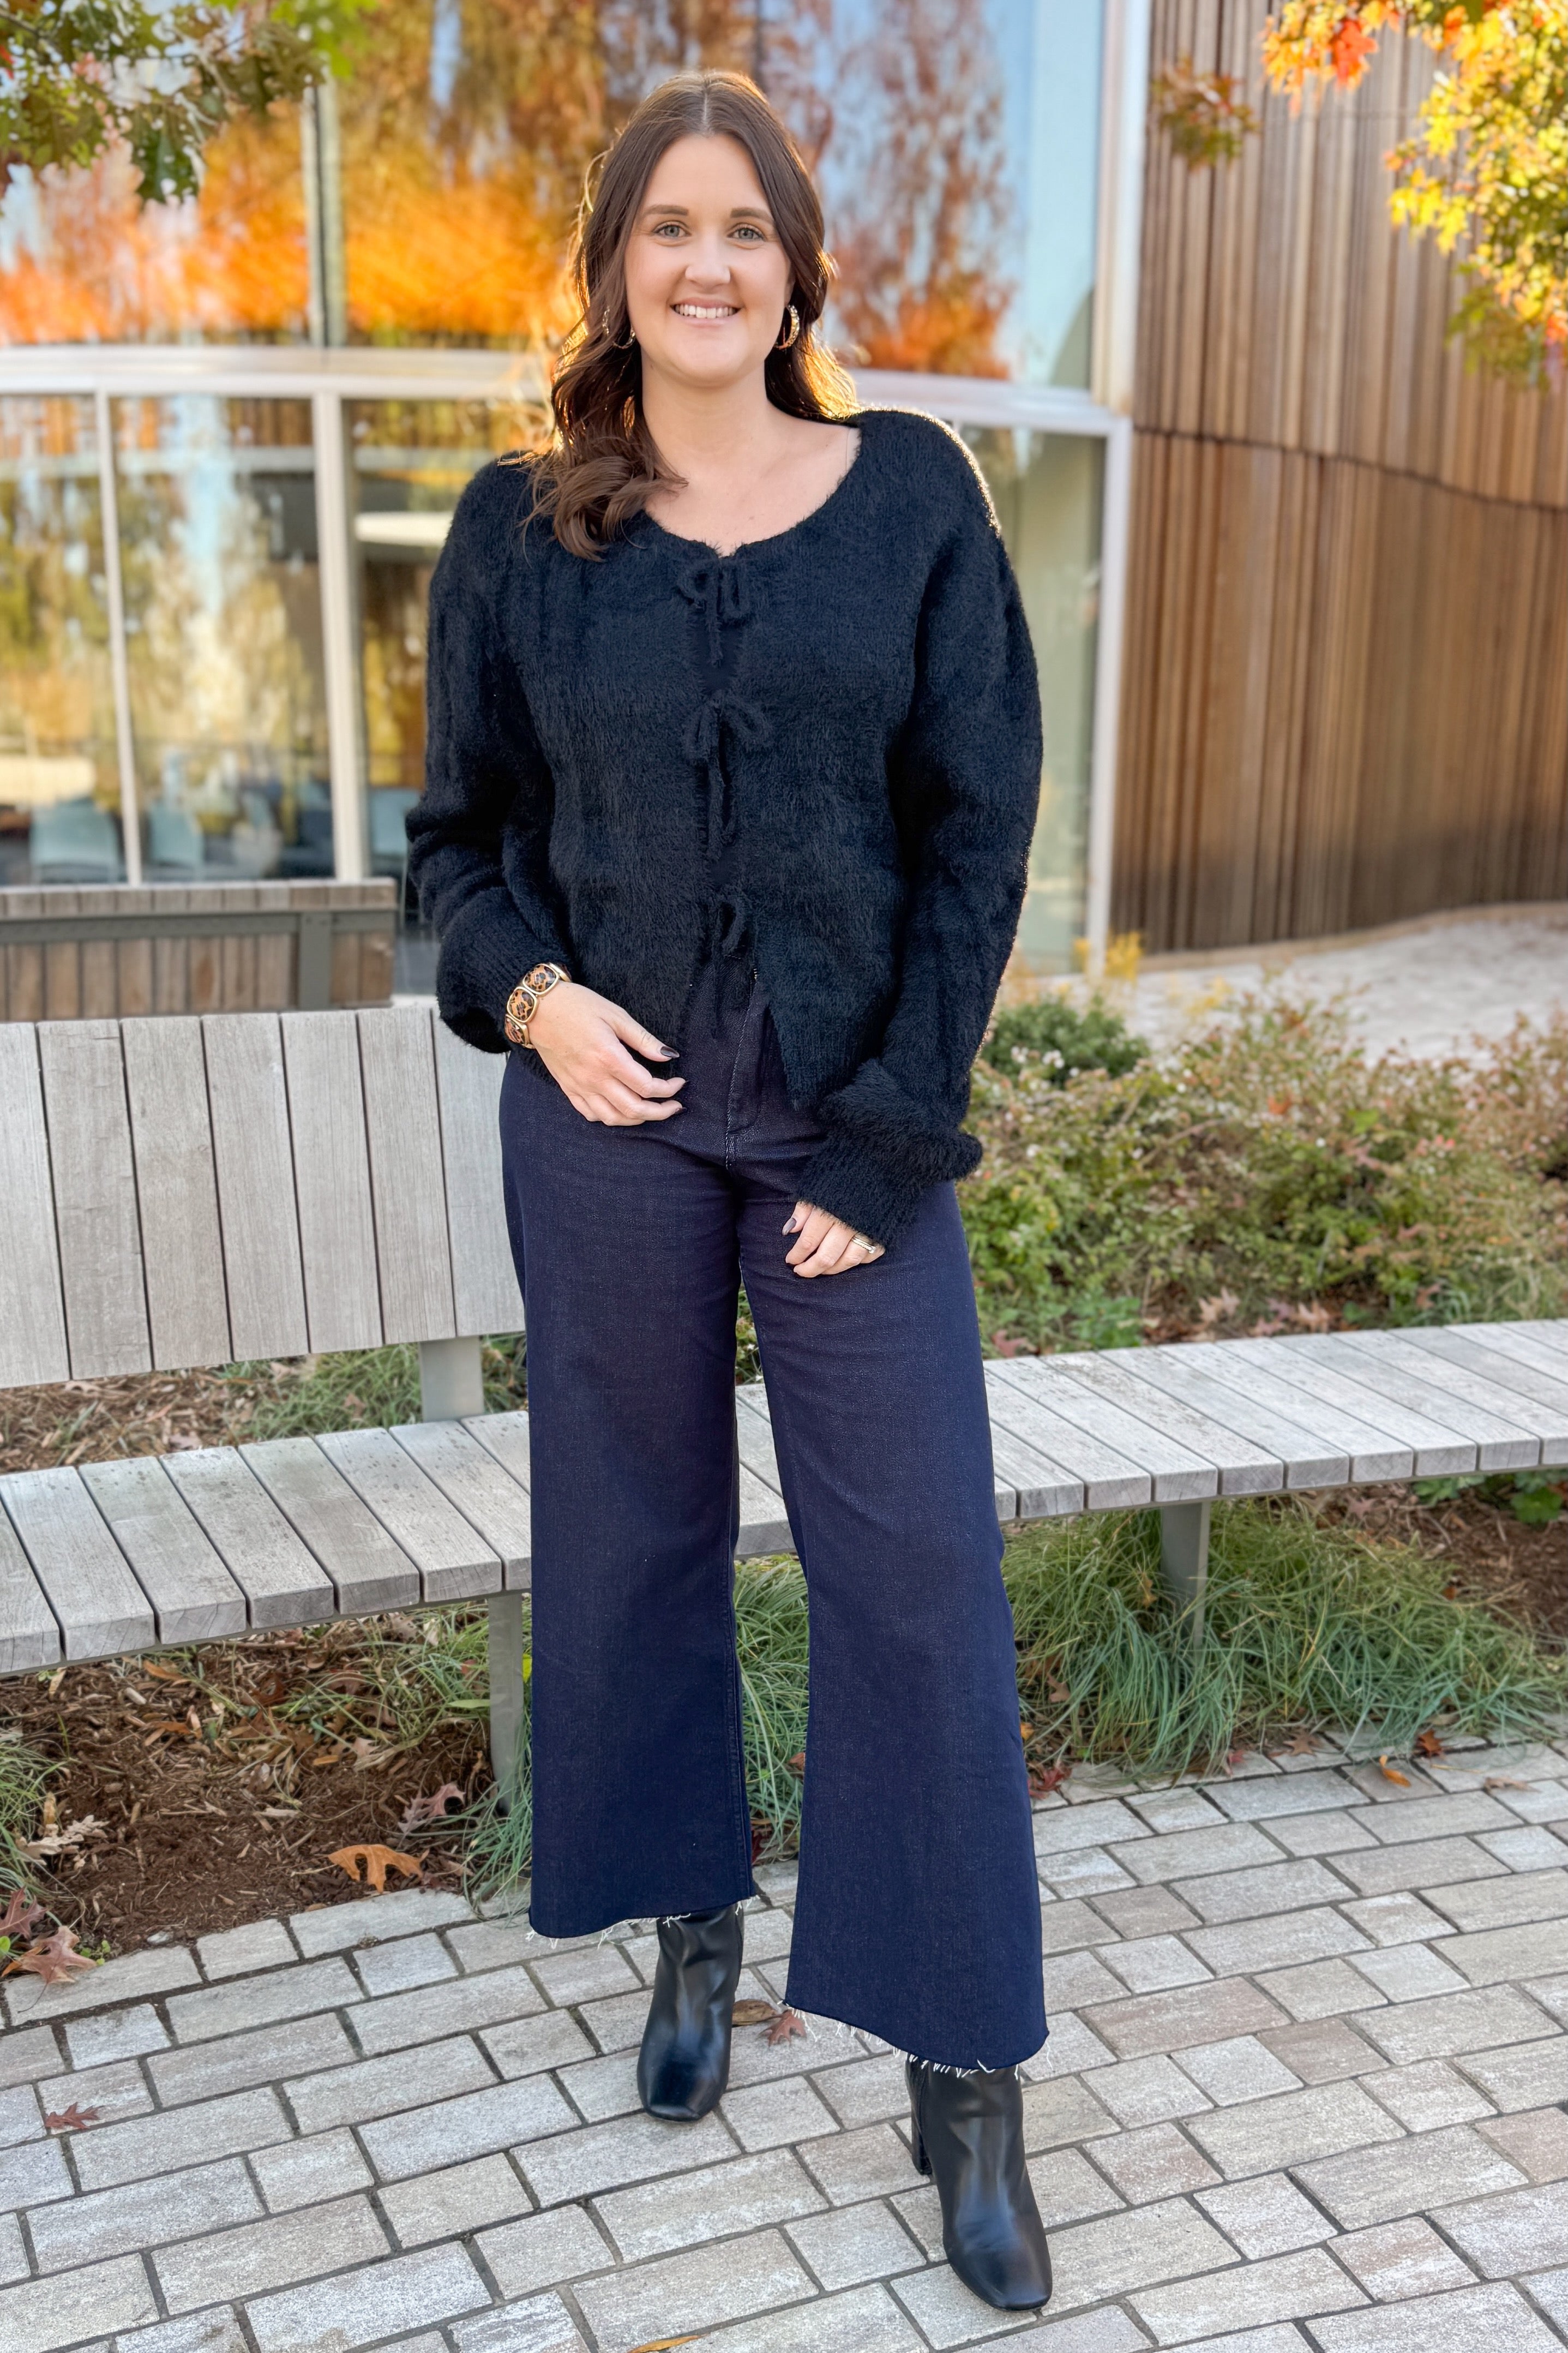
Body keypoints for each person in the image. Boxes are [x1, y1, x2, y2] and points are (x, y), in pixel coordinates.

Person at [408, 68, 1051, 2313]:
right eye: (665, 227)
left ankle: (962, 2068)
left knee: (913, 1571)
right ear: (610, 265)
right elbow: (450, 852)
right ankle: (692, 1921)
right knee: (630, 1530)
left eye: (744, 228)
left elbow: (975, 839)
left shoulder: (911, 502)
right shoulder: (520, 529)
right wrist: (533, 1000)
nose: (705, 262)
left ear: (794, 266)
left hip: (841, 1116)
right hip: (603, 1114)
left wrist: (885, 1137)